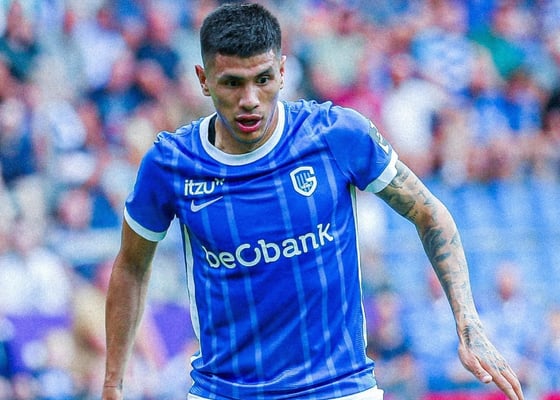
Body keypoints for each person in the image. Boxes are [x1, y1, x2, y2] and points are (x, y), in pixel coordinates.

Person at [102, 3, 524, 400]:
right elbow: (131, 267)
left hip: (340, 388)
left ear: (283, 72)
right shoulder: (171, 164)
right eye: (232, 82)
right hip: (226, 391)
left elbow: (429, 213)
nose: (249, 99)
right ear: (203, 79)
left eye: (263, 79)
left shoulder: (336, 134)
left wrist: (468, 323)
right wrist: (113, 384)